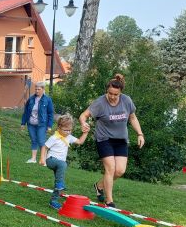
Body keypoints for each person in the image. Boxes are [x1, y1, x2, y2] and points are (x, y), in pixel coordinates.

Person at [78, 73, 144, 208]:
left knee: (120, 171)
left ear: (120, 93)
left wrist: (140, 134)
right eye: (110, 93)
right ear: (107, 91)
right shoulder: (100, 102)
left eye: (116, 94)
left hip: (121, 139)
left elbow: (132, 118)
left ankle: (99, 186)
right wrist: (83, 123)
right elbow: (83, 115)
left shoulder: (126, 100)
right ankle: (109, 201)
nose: (112, 97)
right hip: (104, 138)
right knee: (110, 168)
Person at [40, 114, 89, 209]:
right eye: (65, 130)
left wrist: (85, 133)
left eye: (70, 130)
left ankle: (53, 201)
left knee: (60, 181)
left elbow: (80, 141)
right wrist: (42, 158)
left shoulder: (69, 137)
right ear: (59, 128)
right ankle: (59, 184)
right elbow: (44, 147)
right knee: (63, 165)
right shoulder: (54, 137)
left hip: (60, 164)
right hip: (51, 160)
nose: (68, 132)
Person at [20, 82, 54, 163]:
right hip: (31, 124)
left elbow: (50, 113)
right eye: (36, 89)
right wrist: (23, 123)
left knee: (41, 141)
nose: (37, 91)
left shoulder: (47, 99)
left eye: (39, 89)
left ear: (43, 89)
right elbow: (26, 112)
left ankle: (43, 160)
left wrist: (49, 126)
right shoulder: (31, 99)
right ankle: (33, 159)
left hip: (42, 124)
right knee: (34, 140)